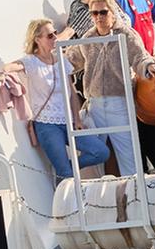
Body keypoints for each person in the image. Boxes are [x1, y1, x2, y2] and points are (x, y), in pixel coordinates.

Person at [65, 0, 155, 177]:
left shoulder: (126, 34)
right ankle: (99, 199)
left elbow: (140, 57)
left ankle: (135, 198)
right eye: (94, 13)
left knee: (129, 155)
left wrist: (150, 65)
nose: (98, 17)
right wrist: (45, 61)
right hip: (94, 104)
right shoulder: (88, 37)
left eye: (103, 12)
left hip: (119, 102)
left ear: (113, 13)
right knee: (93, 155)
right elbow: (71, 61)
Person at [19, 19, 107, 183]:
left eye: (55, 34)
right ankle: (68, 201)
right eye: (50, 35)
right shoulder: (31, 61)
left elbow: (72, 92)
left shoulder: (61, 60)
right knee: (65, 174)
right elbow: (13, 66)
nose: (55, 38)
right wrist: (3, 73)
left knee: (101, 152)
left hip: (68, 122)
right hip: (46, 125)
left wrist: (77, 118)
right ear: (37, 39)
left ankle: (64, 169)